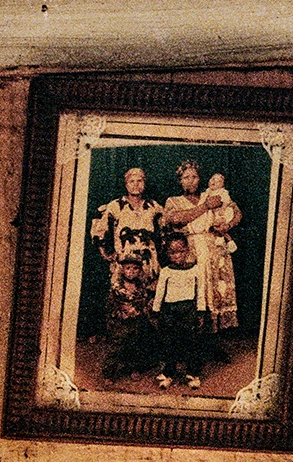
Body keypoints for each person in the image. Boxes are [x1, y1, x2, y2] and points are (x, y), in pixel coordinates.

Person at [163, 159, 243, 332]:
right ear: (180, 181)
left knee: (218, 290)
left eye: (194, 177)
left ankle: (215, 333)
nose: (190, 181)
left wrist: (227, 225)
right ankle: (196, 333)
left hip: (216, 249)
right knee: (195, 292)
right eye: (186, 178)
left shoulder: (211, 194)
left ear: (200, 179)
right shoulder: (174, 201)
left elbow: (236, 212)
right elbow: (176, 219)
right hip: (191, 250)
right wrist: (206, 206)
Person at [88, 166, 163, 340]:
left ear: (145, 183)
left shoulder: (153, 206)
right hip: (125, 259)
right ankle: (122, 336)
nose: (136, 185)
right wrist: (105, 253)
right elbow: (100, 230)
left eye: (140, 181)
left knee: (148, 295)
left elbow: (165, 230)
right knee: (123, 295)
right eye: (132, 181)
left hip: (147, 259)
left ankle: (146, 337)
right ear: (126, 184)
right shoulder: (116, 206)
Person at [148, 230, 210, 388]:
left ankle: (192, 374)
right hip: (170, 311)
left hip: (188, 310)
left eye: (181, 251)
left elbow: (200, 291)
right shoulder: (166, 271)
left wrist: (200, 312)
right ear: (167, 253)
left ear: (187, 250)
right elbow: (160, 293)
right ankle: (169, 373)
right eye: (172, 253)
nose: (177, 256)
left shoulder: (196, 270)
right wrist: (156, 311)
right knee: (169, 342)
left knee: (191, 342)